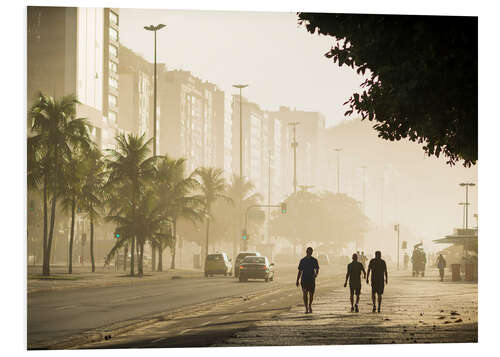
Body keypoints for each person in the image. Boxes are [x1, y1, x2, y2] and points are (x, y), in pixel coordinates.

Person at [296, 247, 320, 314]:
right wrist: (297, 280)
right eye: (309, 251)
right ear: (306, 252)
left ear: (312, 252)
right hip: (304, 279)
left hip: (311, 279)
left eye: (311, 251)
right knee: (305, 293)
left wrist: (316, 274)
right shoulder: (302, 260)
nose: (309, 252)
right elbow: (300, 271)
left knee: (311, 294)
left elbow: (317, 269)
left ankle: (310, 305)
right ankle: (306, 307)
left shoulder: (314, 260)